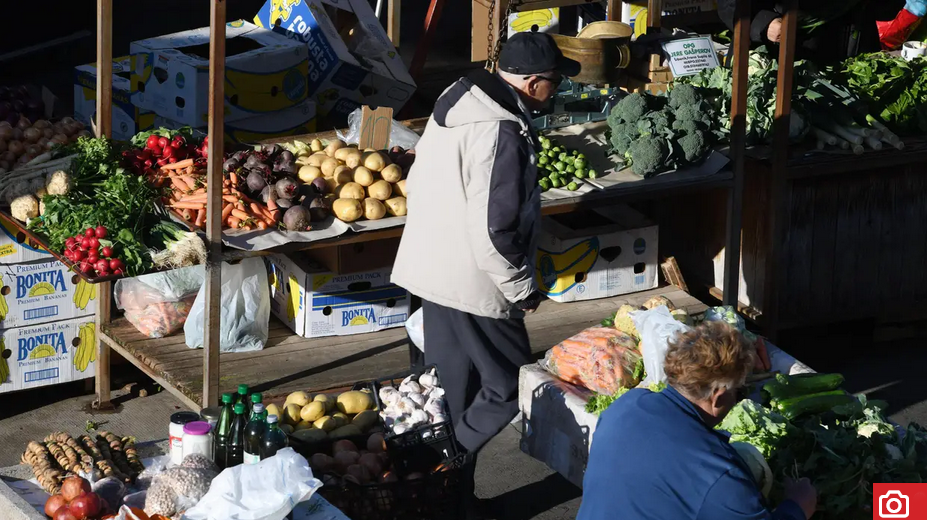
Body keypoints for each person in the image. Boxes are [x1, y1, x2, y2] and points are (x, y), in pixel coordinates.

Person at [391, 33, 580, 458]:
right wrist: (521, 290)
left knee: (452, 394)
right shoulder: (501, 133)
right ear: (533, 84)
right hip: (475, 283)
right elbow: (495, 230)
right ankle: (448, 464)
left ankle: (448, 498)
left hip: (434, 270)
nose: (559, 89)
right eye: (555, 81)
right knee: (512, 386)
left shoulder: (460, 100)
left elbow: (419, 180)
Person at [577, 322, 818, 520]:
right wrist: (797, 506)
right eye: (739, 392)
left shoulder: (627, 405)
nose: (737, 400)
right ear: (718, 397)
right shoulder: (718, 475)